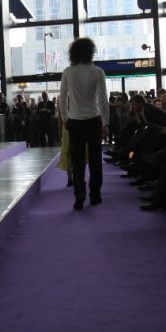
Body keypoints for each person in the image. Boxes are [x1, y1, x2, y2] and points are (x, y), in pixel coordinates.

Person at [59, 37, 109, 210]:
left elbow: (62, 99)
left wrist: (65, 119)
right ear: (91, 52)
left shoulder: (68, 72)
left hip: (75, 122)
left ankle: (79, 195)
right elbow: (103, 100)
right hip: (94, 120)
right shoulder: (98, 72)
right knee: (95, 160)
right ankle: (95, 195)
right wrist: (105, 123)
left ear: (72, 53)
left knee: (78, 160)